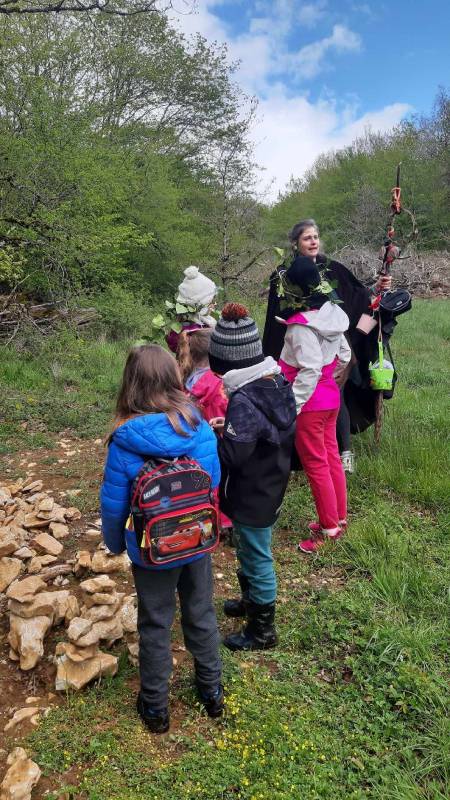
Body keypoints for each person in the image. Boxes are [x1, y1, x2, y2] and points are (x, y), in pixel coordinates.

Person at [100, 344, 223, 734]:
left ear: (131, 383)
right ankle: (212, 692)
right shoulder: (198, 426)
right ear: (174, 376)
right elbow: (212, 484)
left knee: (155, 623)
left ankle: (155, 708)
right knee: (201, 614)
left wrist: (118, 544)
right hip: (198, 539)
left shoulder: (124, 441)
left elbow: (114, 505)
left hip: (152, 551)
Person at [262, 219, 392, 465]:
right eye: (307, 238)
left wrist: (377, 288)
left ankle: (344, 454)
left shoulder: (332, 268)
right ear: (295, 243)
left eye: (315, 236)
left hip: (333, 344)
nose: (313, 241)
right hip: (300, 344)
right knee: (304, 398)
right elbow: (276, 317)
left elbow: (356, 295)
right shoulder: (283, 274)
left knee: (335, 394)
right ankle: (300, 452)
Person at [208, 303, 296, 651]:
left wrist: (215, 438)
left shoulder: (244, 399)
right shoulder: (274, 381)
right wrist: (227, 428)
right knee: (248, 548)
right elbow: (259, 433)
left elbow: (233, 454)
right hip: (270, 482)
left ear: (226, 361)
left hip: (252, 492)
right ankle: (249, 602)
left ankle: (263, 630)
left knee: (257, 556)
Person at [277, 257, 352, 553]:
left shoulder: (301, 328)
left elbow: (309, 369)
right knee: (331, 457)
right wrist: (329, 378)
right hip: (330, 397)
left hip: (311, 404)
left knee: (317, 464)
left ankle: (329, 529)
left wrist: (292, 405)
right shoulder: (331, 314)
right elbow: (344, 354)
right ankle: (339, 518)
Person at [177, 326, 232, 534]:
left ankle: (198, 517)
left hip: (191, 445)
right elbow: (222, 415)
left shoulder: (185, 379)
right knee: (219, 482)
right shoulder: (218, 384)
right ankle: (222, 521)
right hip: (216, 443)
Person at [166, 265, 219, 354]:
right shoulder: (205, 331)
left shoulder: (177, 329)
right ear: (201, 304)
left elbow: (172, 344)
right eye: (211, 301)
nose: (214, 304)